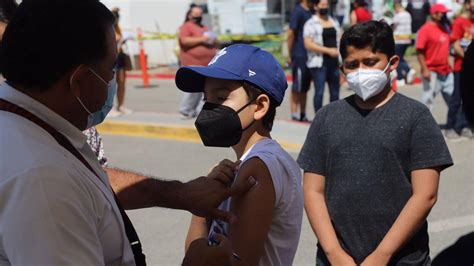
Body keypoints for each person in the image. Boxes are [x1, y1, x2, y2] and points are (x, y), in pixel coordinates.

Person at [0, 1, 256, 265]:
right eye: (111, 68)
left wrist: (179, 193)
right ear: (78, 81)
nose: (114, 79)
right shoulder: (43, 181)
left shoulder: (30, 126)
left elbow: (88, 179)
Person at [298, 21, 453, 265]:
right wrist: (333, 253)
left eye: (370, 62)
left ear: (392, 64)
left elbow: (425, 195)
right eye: (352, 65)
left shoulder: (416, 116)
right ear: (342, 69)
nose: (361, 71)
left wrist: (381, 256)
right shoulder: (327, 117)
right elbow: (312, 190)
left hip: (403, 259)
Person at [176, 44, 304, 266]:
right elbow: (195, 254)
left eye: (221, 97)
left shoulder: (258, 167)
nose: (209, 108)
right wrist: (204, 200)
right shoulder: (247, 162)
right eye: (207, 99)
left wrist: (200, 210)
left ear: (260, 106)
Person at [178, 5, 217, 119]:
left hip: (206, 64)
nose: (198, 17)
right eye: (196, 14)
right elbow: (184, 40)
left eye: (200, 14)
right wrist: (202, 39)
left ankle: (199, 111)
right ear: (190, 15)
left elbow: (213, 40)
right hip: (192, 62)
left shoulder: (204, 27)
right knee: (192, 89)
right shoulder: (186, 26)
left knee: (204, 89)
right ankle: (186, 110)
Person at [304, 0, 342, 113]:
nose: (325, 7)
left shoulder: (333, 21)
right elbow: (308, 44)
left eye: (326, 5)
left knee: (335, 92)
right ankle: (319, 118)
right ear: (316, 6)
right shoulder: (310, 23)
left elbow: (339, 38)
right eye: (322, 5)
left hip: (334, 62)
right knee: (319, 92)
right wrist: (327, 50)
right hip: (319, 62)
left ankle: (333, 117)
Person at [416, 4, 454, 114]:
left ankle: (458, 124)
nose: (444, 15)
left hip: (446, 70)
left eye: (445, 13)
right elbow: (419, 51)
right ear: (433, 14)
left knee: (453, 99)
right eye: (442, 13)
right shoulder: (425, 29)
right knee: (427, 100)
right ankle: (424, 128)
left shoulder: (444, 28)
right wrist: (425, 69)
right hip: (431, 71)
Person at [448, 0, 474, 139]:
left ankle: (465, 125)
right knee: (457, 97)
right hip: (461, 66)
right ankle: (450, 126)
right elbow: (456, 45)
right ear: (467, 5)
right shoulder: (459, 22)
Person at [288, 0, 314, 122]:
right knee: (297, 85)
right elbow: (291, 33)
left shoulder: (313, 10)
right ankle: (294, 113)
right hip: (299, 54)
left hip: (311, 55)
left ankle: (303, 113)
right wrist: (289, 53)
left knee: (305, 86)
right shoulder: (298, 11)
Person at [110, 7, 132, 116]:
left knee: (122, 82)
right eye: (115, 19)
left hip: (120, 57)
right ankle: (111, 107)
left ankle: (121, 105)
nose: (116, 21)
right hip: (111, 59)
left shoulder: (118, 28)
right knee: (112, 84)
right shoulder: (107, 28)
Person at [393, 0, 416, 86]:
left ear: (397, 6)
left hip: (398, 40)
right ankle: (406, 72)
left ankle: (402, 76)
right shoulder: (408, 14)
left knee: (396, 59)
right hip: (407, 39)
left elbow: (393, 25)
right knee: (400, 57)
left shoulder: (398, 15)